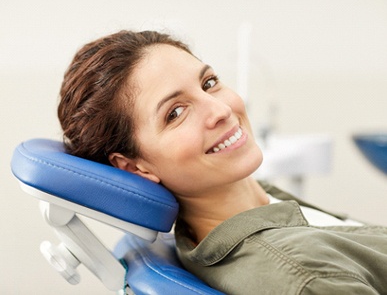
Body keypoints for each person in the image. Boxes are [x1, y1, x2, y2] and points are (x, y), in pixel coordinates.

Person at [58, 30, 387, 294]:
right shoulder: (304, 277)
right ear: (135, 167)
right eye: (175, 113)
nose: (222, 110)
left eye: (209, 83)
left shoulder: (257, 206)